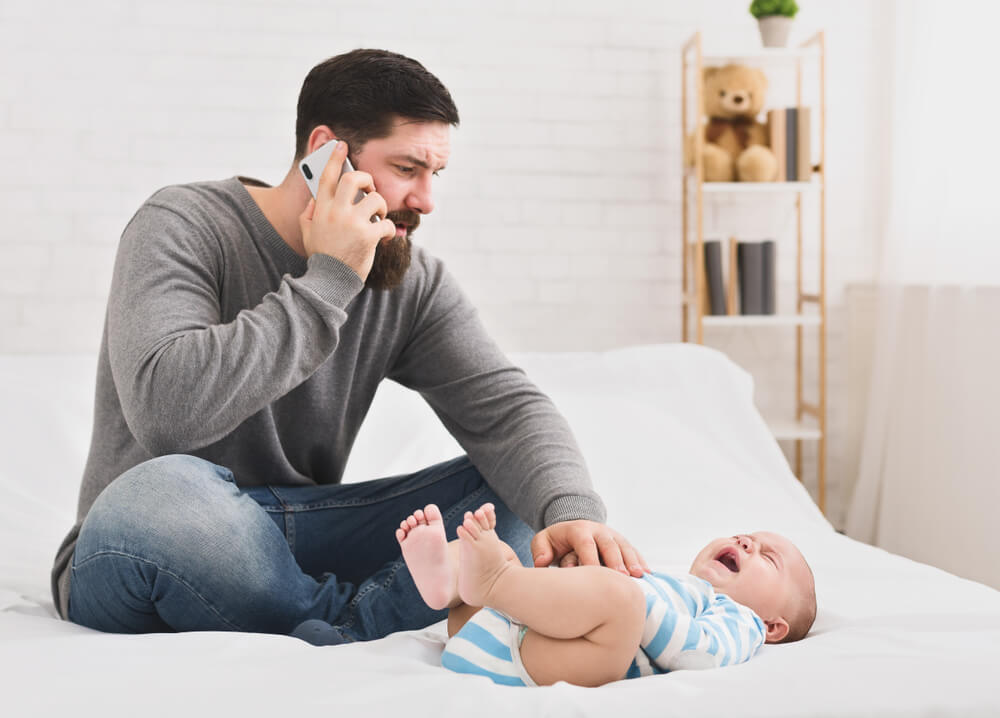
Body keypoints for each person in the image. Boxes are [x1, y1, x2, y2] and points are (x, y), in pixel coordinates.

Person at [50, 49, 647, 643]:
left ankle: (347, 623)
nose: (426, 199)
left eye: (434, 174)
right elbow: (167, 414)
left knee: (516, 498)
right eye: (408, 168)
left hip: (297, 533)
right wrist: (329, 279)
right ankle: (357, 617)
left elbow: (508, 410)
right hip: (149, 540)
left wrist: (572, 512)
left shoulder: (411, 282)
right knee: (164, 493)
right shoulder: (182, 224)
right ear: (325, 154)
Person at [397, 502, 817, 687]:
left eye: (768, 556)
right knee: (496, 549)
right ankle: (447, 586)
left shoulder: (743, 623)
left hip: (548, 657)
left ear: (773, 626)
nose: (746, 542)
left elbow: (697, 652)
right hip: (490, 631)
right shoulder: (674, 585)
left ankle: (498, 581)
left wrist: (623, 591)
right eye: (746, 536)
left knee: (622, 601)